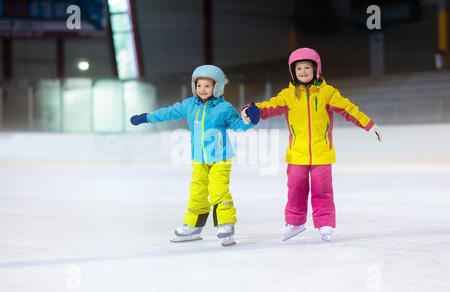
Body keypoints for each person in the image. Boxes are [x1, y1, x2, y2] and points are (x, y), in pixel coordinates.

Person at [240, 48, 382, 241]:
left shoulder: (328, 93)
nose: (303, 71)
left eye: (307, 67)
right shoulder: (287, 95)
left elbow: (349, 109)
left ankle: (325, 224)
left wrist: (369, 125)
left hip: (322, 153)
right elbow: (269, 106)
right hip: (297, 154)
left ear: (316, 69)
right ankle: (295, 223)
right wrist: (252, 109)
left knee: (322, 190)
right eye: (299, 68)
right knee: (295, 188)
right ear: (293, 71)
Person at [130, 65, 260, 246]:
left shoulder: (224, 108)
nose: (202, 89)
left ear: (218, 87)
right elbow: (169, 112)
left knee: (218, 191)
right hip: (199, 159)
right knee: (197, 193)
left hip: (220, 158)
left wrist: (249, 120)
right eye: (199, 85)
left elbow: (237, 125)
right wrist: (148, 117)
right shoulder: (189, 105)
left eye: (207, 86)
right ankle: (193, 226)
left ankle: (226, 225)